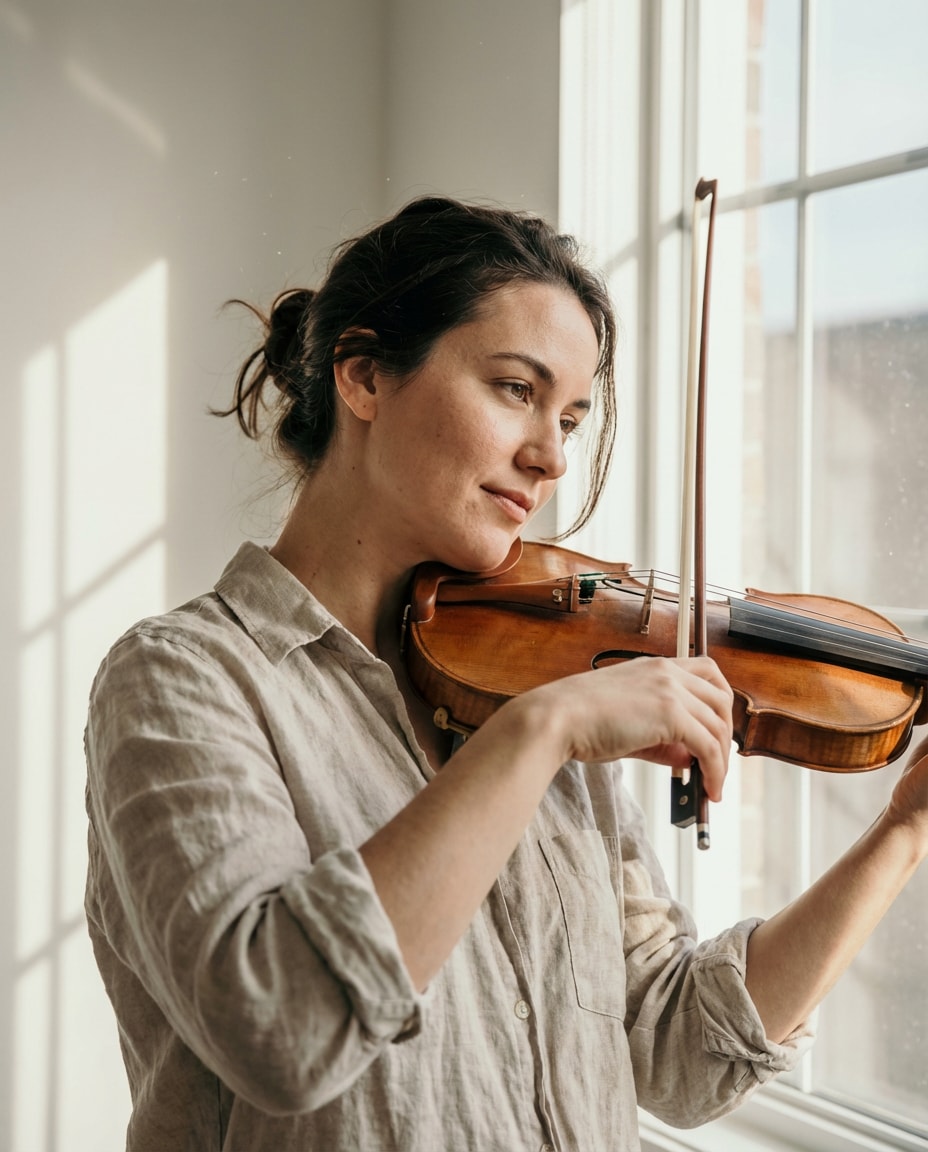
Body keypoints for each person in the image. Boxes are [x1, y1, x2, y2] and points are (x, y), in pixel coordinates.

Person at [84, 195, 928, 1152]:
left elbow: (679, 1052)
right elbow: (284, 1028)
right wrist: (546, 732)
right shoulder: (183, 682)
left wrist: (904, 831)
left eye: (570, 415)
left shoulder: (529, 676)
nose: (553, 456)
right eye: (515, 390)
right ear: (363, 376)